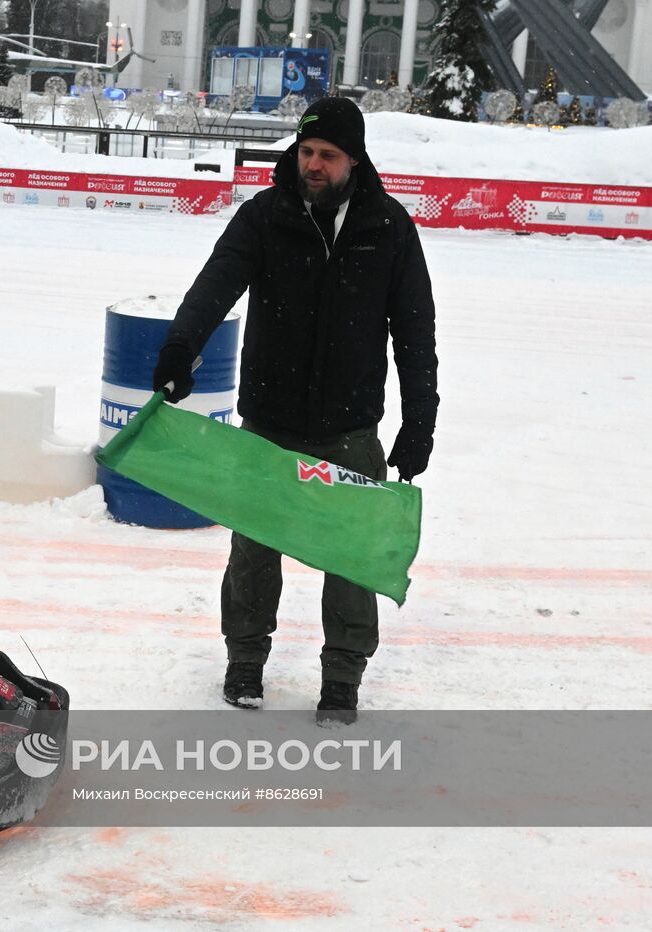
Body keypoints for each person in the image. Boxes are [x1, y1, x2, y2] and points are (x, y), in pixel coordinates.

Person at [153, 97, 439, 725]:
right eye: (306, 151)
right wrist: (181, 346)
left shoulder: (388, 227)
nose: (312, 164)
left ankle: (341, 678)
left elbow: (415, 332)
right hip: (270, 422)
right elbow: (215, 283)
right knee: (254, 549)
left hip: (349, 427)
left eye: (327, 156)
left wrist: (420, 421)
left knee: (352, 557)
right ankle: (246, 661)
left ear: (353, 160)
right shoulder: (265, 215)